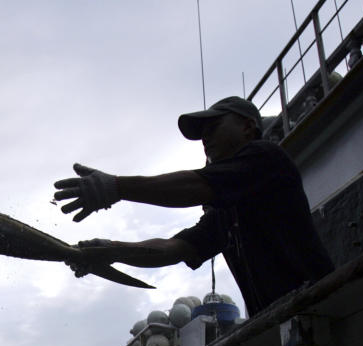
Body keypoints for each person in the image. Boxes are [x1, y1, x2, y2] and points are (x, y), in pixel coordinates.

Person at [53, 96, 334, 317]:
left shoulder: (266, 158)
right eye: (202, 134)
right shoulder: (226, 211)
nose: (205, 139)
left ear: (248, 127)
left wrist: (115, 187)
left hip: (325, 310)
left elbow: (193, 186)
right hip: (282, 324)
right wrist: (109, 249)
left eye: (213, 127)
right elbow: (172, 249)